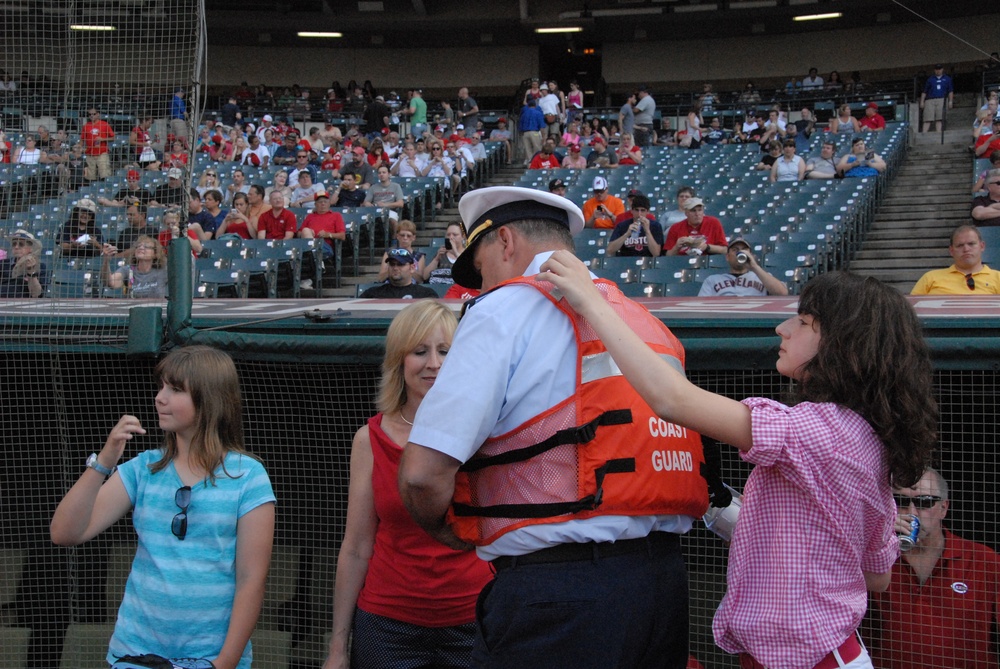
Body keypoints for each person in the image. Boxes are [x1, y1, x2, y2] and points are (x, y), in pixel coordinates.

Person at [536, 256, 938, 669]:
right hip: (825, 654)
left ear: (843, 341)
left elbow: (672, 400)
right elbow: (877, 576)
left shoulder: (821, 430)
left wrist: (591, 302)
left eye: (802, 321)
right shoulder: (865, 437)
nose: (782, 328)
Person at [397, 186, 708, 669]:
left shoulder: (501, 310)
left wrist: (452, 531)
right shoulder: (642, 319)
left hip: (556, 599)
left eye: (480, 270)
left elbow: (421, 472)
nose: (481, 286)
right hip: (663, 591)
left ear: (504, 242)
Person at [50, 346, 276, 669]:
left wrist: (222, 664)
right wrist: (104, 460)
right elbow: (64, 532)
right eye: (161, 387)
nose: (160, 397)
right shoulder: (144, 468)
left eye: (175, 389)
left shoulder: (248, 477)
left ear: (209, 399)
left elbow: (252, 579)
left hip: (211, 658)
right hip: (136, 655)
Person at [323, 301, 491, 669]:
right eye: (420, 351)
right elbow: (356, 547)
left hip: (473, 620)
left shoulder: (487, 433)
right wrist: (338, 647)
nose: (434, 363)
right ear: (400, 360)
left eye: (445, 351)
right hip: (387, 625)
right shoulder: (370, 439)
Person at [865, 468, 1000, 669]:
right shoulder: (876, 557)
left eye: (924, 502)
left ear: (944, 508)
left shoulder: (985, 560)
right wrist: (882, 542)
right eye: (900, 501)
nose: (911, 512)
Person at [910, 224, 1000, 295]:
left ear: (982, 246)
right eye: (960, 245)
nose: (966, 249)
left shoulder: (998, 278)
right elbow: (910, 312)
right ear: (951, 250)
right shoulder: (930, 278)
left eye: (971, 244)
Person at [698, 238, 789, 296]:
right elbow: (700, 308)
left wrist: (754, 267)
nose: (740, 253)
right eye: (735, 250)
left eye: (744, 250)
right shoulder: (712, 280)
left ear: (750, 255)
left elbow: (782, 293)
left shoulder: (762, 277)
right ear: (727, 257)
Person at [101, 235, 168, 298]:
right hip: (134, 309)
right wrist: (106, 261)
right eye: (138, 246)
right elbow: (111, 283)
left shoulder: (163, 271)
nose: (141, 248)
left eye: (146, 247)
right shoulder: (128, 270)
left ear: (155, 254)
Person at [359, 249, 438, 299]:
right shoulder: (372, 294)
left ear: (412, 268)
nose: (395, 268)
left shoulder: (425, 295)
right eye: (392, 264)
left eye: (400, 264)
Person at [0, 229, 48, 298]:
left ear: (31, 248)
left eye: (21, 244)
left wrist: (31, 272)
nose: (16, 247)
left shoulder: (40, 266)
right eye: (14, 244)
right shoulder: (2, 264)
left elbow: (36, 294)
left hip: (24, 304)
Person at [82, 107, 115, 181]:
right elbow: (82, 139)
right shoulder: (86, 126)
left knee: (104, 173)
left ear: (98, 114)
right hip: (90, 153)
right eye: (89, 114)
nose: (91, 116)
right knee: (90, 176)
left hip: (102, 152)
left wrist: (103, 139)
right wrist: (80, 147)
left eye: (93, 114)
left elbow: (113, 137)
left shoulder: (104, 124)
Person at [920, 64, 953, 133]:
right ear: (934, 70)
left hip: (941, 99)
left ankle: (938, 133)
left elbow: (950, 91)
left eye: (939, 69)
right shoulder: (930, 79)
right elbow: (924, 91)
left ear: (942, 70)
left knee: (939, 118)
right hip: (930, 99)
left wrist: (950, 101)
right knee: (927, 118)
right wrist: (922, 101)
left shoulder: (947, 79)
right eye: (936, 69)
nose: (938, 71)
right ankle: (924, 133)